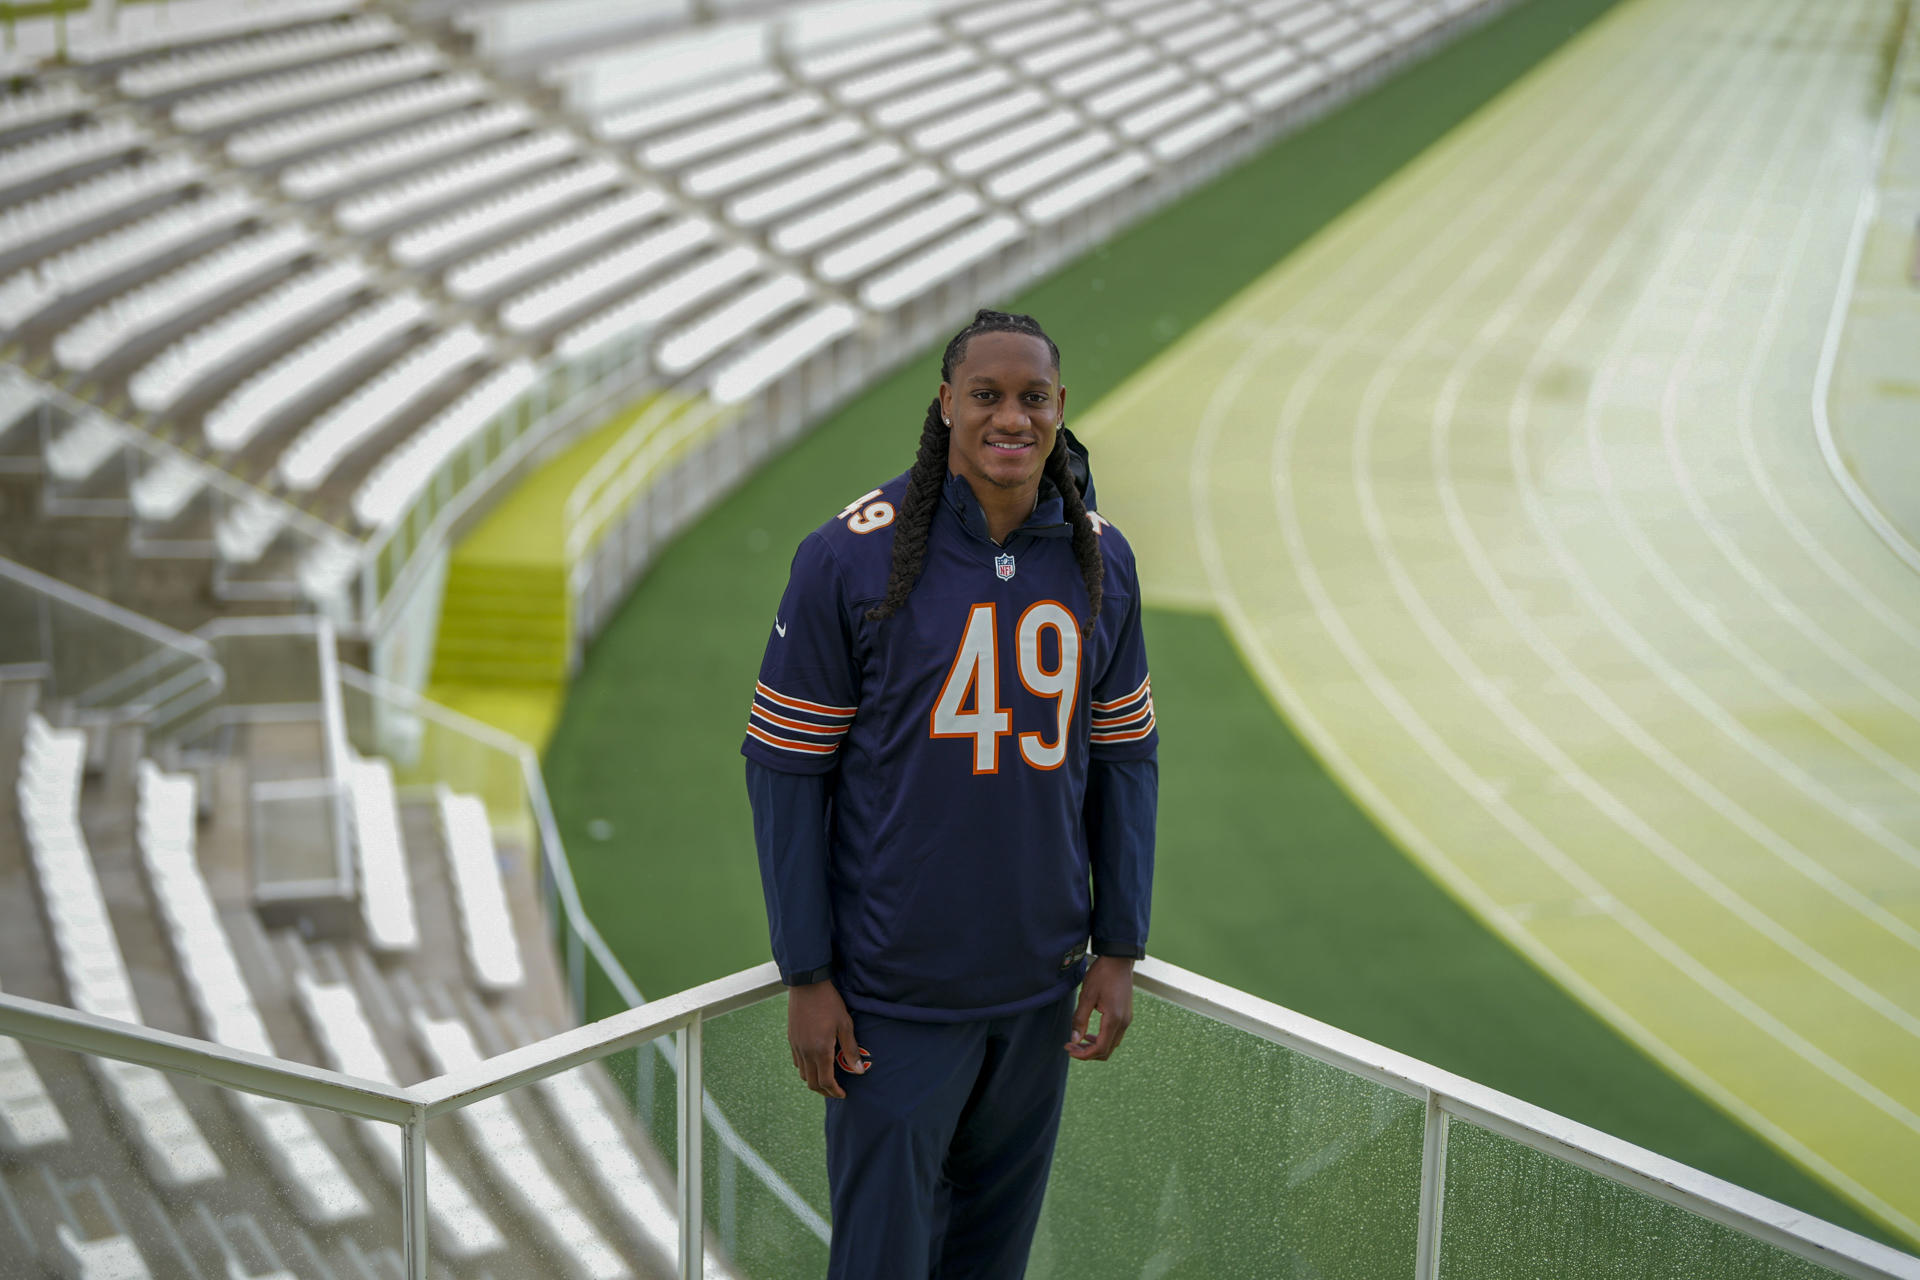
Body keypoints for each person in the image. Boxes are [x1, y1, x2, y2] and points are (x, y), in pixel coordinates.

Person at [741, 309, 1158, 1280]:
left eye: (1032, 397)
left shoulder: (1103, 559)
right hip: (895, 998)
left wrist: (1118, 946)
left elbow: (1127, 758)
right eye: (986, 395)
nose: (1010, 416)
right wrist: (807, 972)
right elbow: (785, 771)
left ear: (1059, 409)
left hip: (1038, 986)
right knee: (883, 1260)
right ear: (944, 405)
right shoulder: (848, 556)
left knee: (992, 1260)